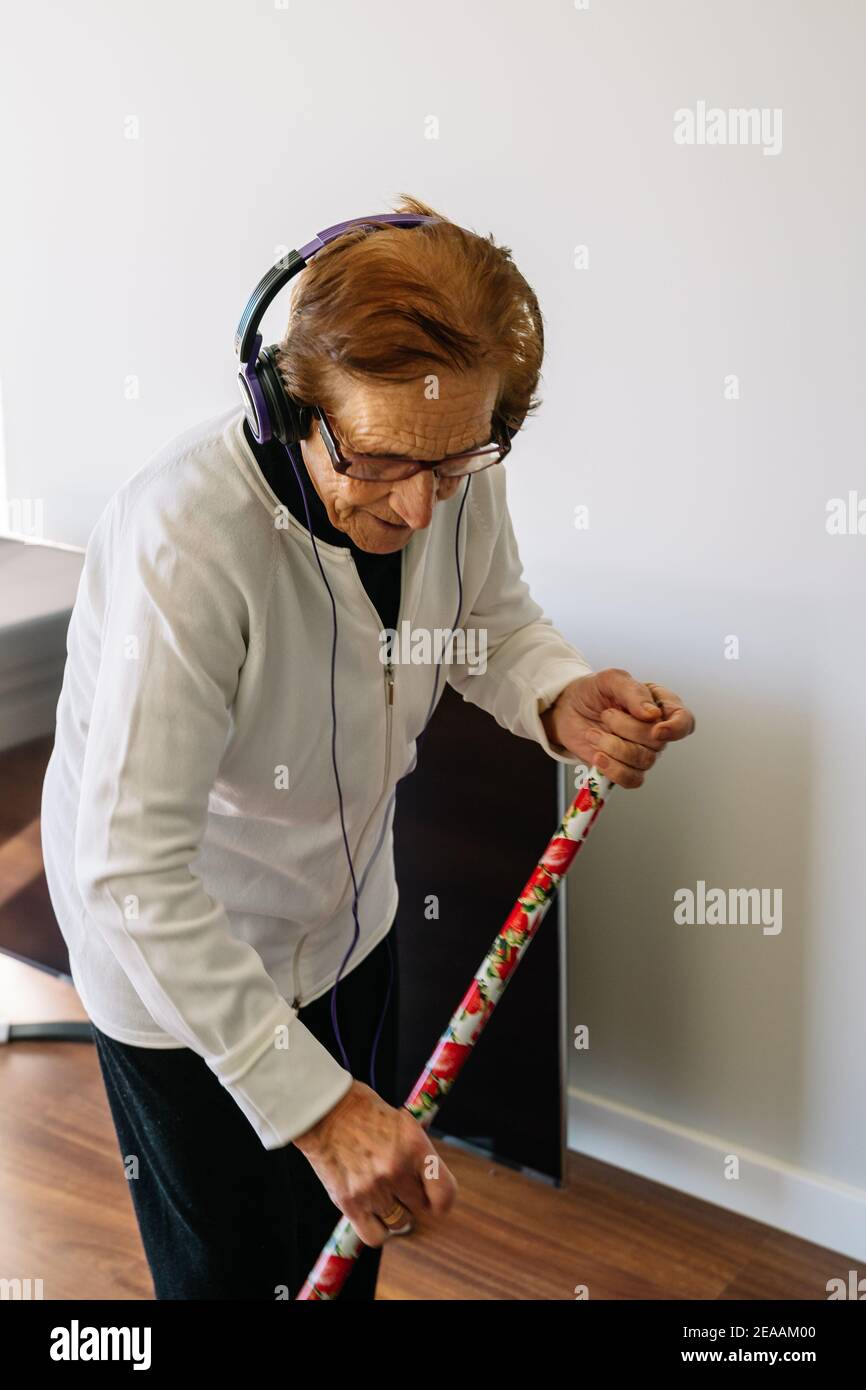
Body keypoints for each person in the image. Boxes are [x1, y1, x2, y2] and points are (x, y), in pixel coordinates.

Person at [40, 194, 695, 1300]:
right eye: (382, 461)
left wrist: (557, 695)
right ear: (284, 403)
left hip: (350, 927)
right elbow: (130, 875)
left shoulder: (443, 462)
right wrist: (317, 1106)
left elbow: (484, 617)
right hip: (182, 972)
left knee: (344, 1250)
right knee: (231, 1273)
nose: (421, 507)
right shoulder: (185, 546)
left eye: (454, 466)